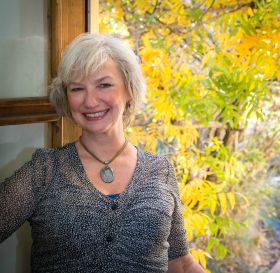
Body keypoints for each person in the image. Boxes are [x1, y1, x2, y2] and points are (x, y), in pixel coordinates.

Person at [0, 33, 205, 273]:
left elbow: (180, 262)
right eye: (77, 88)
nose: (90, 101)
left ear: (129, 89)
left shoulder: (161, 171)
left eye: (104, 84)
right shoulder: (44, 170)